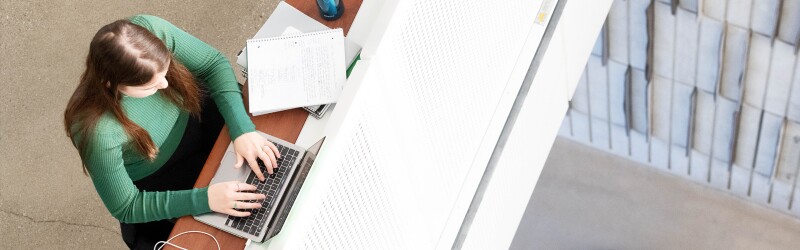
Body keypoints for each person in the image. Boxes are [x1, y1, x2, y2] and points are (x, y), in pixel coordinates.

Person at [63, 15, 280, 249]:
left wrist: (242, 130)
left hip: (199, 115)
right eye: (150, 85)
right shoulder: (96, 131)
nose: (165, 85)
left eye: (165, 72)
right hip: (164, 178)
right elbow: (126, 206)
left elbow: (212, 64)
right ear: (111, 84)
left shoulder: (148, 31)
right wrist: (205, 199)